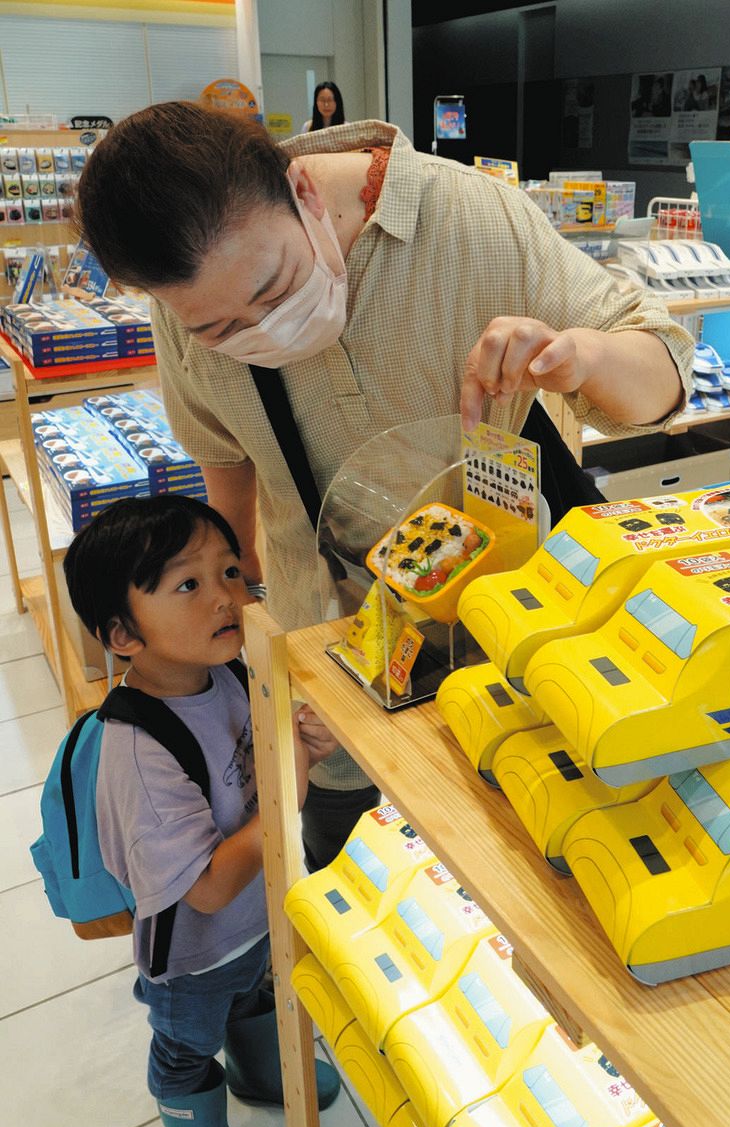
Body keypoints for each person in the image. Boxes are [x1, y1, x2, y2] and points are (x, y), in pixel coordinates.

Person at [75, 101, 694, 870]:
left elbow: (665, 379)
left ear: (302, 190)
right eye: (219, 330)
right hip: (337, 695)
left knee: (523, 902)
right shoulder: (181, 305)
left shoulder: (468, 217)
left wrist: (586, 357)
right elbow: (228, 496)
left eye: (274, 286)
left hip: (516, 666)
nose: (261, 329)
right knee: (362, 919)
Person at [62, 494, 341, 1127]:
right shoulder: (138, 752)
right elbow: (208, 887)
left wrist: (297, 744)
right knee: (188, 1043)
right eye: (189, 584)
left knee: (256, 992)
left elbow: (259, 753)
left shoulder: (222, 674)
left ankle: (256, 1066)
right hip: (191, 955)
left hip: (255, 920)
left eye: (229, 571)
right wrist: (292, 783)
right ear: (123, 634)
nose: (227, 597)